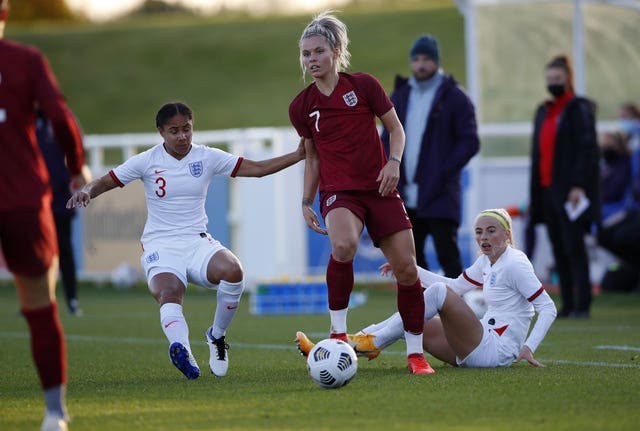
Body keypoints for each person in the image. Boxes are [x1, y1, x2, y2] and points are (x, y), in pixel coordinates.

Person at [67, 101, 305, 381]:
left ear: (193, 127)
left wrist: (298, 155)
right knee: (169, 292)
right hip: (160, 245)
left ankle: (216, 336)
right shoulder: (147, 160)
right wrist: (86, 190)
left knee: (234, 271)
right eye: (174, 131)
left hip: (196, 242)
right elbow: (106, 180)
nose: (182, 136)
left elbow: (257, 168)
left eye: (187, 129)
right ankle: (181, 348)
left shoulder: (207, 157)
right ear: (161, 132)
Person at [289, 11, 431, 375]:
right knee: (343, 246)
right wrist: (307, 201)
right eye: (306, 54)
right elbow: (312, 156)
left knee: (407, 270)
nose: (312, 59)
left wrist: (394, 162)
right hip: (340, 192)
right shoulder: (302, 106)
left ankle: (415, 354)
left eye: (318, 51)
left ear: (336, 51)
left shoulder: (364, 85)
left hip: (381, 188)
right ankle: (338, 336)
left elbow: (396, 130)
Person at [298, 208, 558, 368]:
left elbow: (547, 307)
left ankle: (372, 343)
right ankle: (337, 349)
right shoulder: (486, 261)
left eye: (491, 231)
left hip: (495, 352)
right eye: (479, 232)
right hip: (477, 344)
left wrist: (528, 347)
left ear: (507, 235)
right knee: (411, 319)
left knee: (434, 297)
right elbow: (456, 286)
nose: (484, 238)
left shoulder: (515, 264)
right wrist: (409, 269)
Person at [0, 1, 87, 430]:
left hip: (20, 197)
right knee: (39, 306)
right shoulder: (25, 60)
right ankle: (54, 414)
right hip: (21, 199)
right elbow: (60, 117)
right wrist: (76, 169)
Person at [381, 34, 480, 278]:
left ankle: (461, 312)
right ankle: (423, 311)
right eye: (416, 59)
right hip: (404, 190)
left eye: (426, 59)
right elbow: (386, 137)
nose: (421, 64)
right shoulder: (401, 95)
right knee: (412, 259)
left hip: (440, 191)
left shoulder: (455, 96)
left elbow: (470, 141)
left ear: (436, 62)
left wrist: (444, 171)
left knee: (448, 255)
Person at [528, 55, 599, 319]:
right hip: (547, 191)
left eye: (557, 79)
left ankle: (583, 304)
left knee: (574, 247)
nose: (553, 84)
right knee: (558, 247)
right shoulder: (544, 110)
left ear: (568, 80)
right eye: (550, 80)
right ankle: (568, 303)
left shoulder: (578, 109)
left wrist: (579, 184)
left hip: (569, 191)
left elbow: (587, 149)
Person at [37, 110, 91, 316]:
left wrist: (77, 174)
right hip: (34, 198)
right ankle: (39, 300)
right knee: (37, 253)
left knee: (64, 249)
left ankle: (72, 299)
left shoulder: (62, 119)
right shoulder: (25, 119)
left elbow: (78, 148)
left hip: (60, 197)